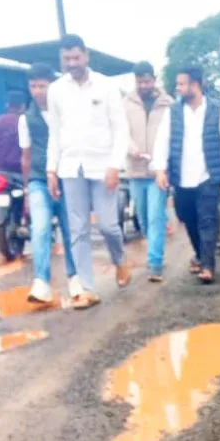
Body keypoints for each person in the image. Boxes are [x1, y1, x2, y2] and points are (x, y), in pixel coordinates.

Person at [46, 34, 132, 310]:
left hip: (102, 166)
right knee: (78, 229)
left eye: (76, 57)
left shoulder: (107, 87)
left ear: (86, 56)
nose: (72, 63)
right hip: (71, 168)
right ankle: (87, 288)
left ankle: (120, 260)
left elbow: (120, 129)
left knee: (108, 225)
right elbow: (55, 133)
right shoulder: (56, 90)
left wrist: (115, 165)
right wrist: (51, 169)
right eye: (66, 59)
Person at [153, 66, 220, 284]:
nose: (178, 88)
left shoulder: (218, 110)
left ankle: (208, 265)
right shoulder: (173, 111)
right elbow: (162, 140)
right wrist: (160, 169)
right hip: (181, 177)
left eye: (182, 83)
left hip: (208, 176)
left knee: (207, 220)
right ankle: (201, 255)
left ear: (195, 84)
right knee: (187, 217)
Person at [19, 62, 81, 304]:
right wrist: (26, 189)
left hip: (66, 178)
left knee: (70, 229)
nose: (37, 91)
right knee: (41, 228)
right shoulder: (26, 119)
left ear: (52, 86)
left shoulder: (66, 113)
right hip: (38, 179)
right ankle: (41, 282)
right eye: (33, 86)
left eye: (42, 86)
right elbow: (25, 156)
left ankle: (76, 278)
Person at [124, 61, 174, 282]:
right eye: (139, 81)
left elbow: (174, 135)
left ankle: (154, 263)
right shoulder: (125, 104)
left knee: (155, 217)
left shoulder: (168, 104)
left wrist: (165, 162)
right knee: (143, 218)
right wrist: (132, 149)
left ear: (154, 80)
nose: (143, 85)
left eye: (147, 80)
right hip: (135, 170)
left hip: (158, 171)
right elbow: (120, 132)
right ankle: (153, 251)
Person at [0, 91, 26, 173]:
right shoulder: (27, 123)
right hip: (21, 170)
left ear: (7, 105)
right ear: (23, 106)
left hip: (0, 169)